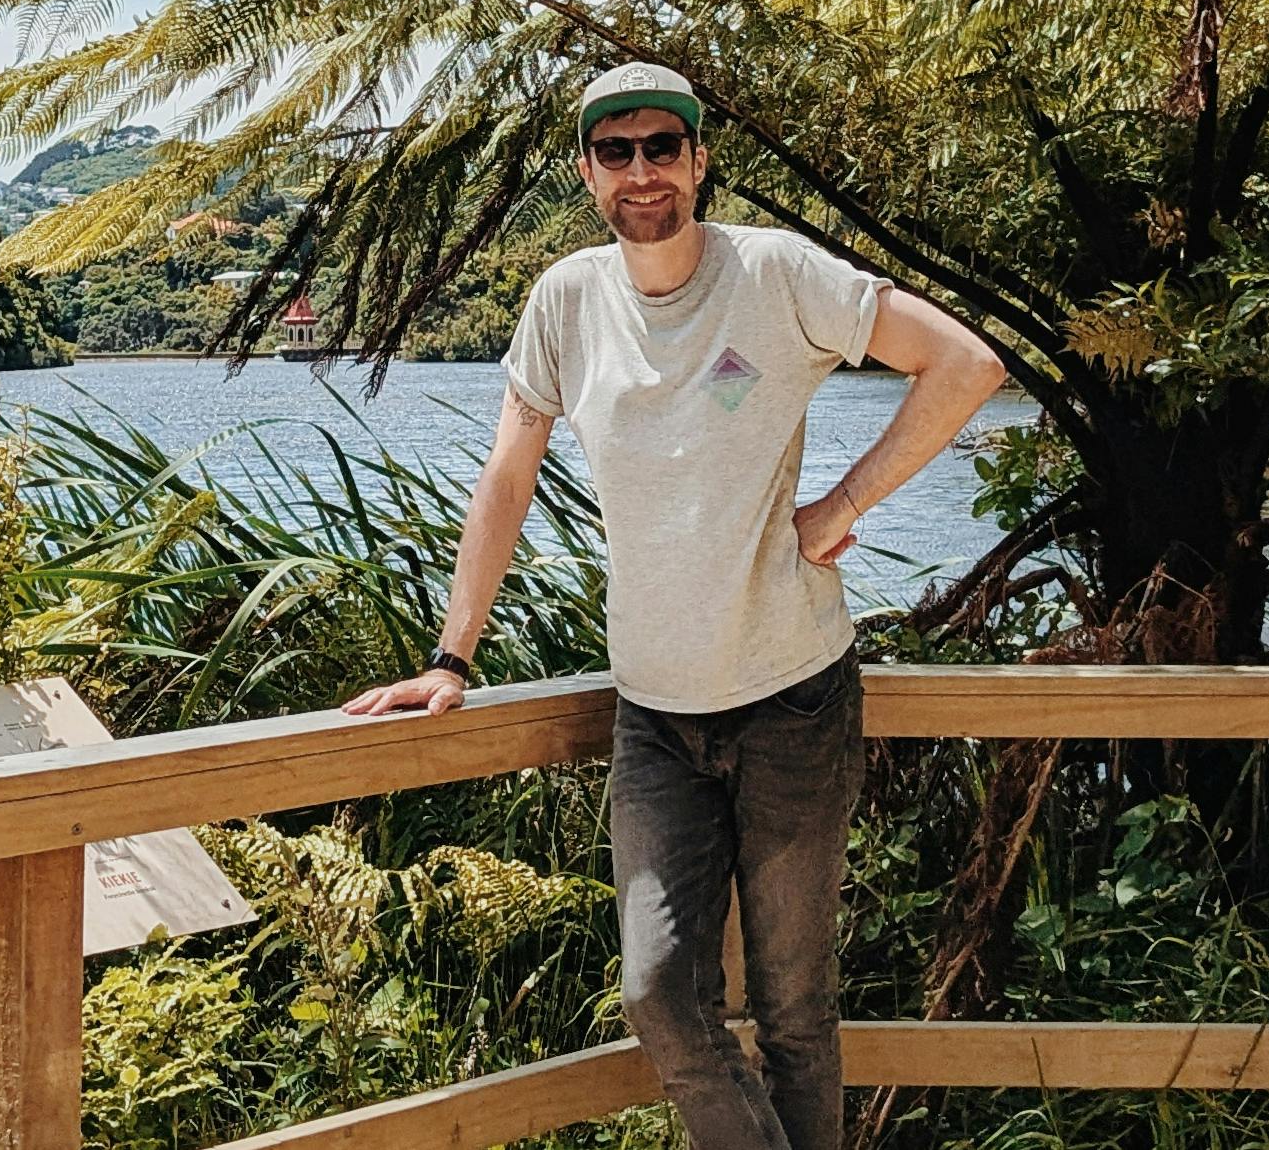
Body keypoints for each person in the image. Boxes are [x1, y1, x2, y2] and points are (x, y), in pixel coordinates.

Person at [343, 60, 1005, 1150]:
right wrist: (452, 657)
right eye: (617, 152)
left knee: (796, 1008)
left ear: (699, 160)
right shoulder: (566, 299)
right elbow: (507, 477)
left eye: (663, 147)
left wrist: (842, 502)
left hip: (793, 699)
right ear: (587, 172)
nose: (642, 172)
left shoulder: (777, 275)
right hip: (653, 715)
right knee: (657, 993)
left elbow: (964, 366)